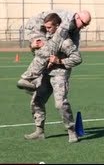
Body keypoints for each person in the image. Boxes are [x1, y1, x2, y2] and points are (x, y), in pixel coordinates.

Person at [23, 13, 82, 143]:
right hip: (45, 73)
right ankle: (39, 131)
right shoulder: (45, 37)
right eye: (46, 27)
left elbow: (77, 58)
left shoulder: (65, 41)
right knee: (36, 101)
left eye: (50, 27)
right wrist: (32, 47)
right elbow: (39, 54)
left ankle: (72, 131)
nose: (47, 29)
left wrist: (59, 61)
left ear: (57, 25)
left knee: (60, 104)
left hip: (59, 74)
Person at [17, 9, 91, 91]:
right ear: (77, 17)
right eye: (84, 23)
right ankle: (27, 78)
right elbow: (56, 43)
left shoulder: (75, 27)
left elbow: (74, 45)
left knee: (47, 52)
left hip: (45, 29)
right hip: (36, 27)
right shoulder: (66, 22)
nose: (84, 26)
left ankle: (34, 83)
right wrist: (56, 60)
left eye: (86, 25)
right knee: (46, 51)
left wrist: (64, 59)